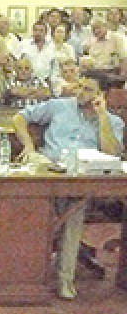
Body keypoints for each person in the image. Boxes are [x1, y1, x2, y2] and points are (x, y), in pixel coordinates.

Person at [12, 75, 124, 299]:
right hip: (46, 168)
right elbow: (19, 118)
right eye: (80, 86)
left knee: (74, 209)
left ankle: (64, 279)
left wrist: (102, 116)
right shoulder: (59, 106)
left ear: (101, 95)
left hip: (80, 179)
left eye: (88, 89)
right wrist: (29, 145)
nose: (80, 92)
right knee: (37, 189)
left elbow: (112, 152)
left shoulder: (113, 122)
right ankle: (26, 274)